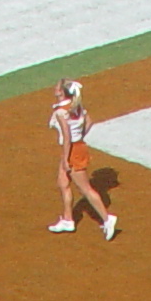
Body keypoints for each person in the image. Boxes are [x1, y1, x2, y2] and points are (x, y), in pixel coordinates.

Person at [47, 79, 116, 239]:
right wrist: (80, 137)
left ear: (61, 93)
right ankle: (68, 219)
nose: (54, 88)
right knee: (63, 183)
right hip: (77, 148)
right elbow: (89, 122)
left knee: (85, 189)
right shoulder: (76, 106)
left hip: (71, 151)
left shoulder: (61, 112)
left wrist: (66, 158)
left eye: (57, 87)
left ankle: (107, 219)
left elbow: (67, 136)